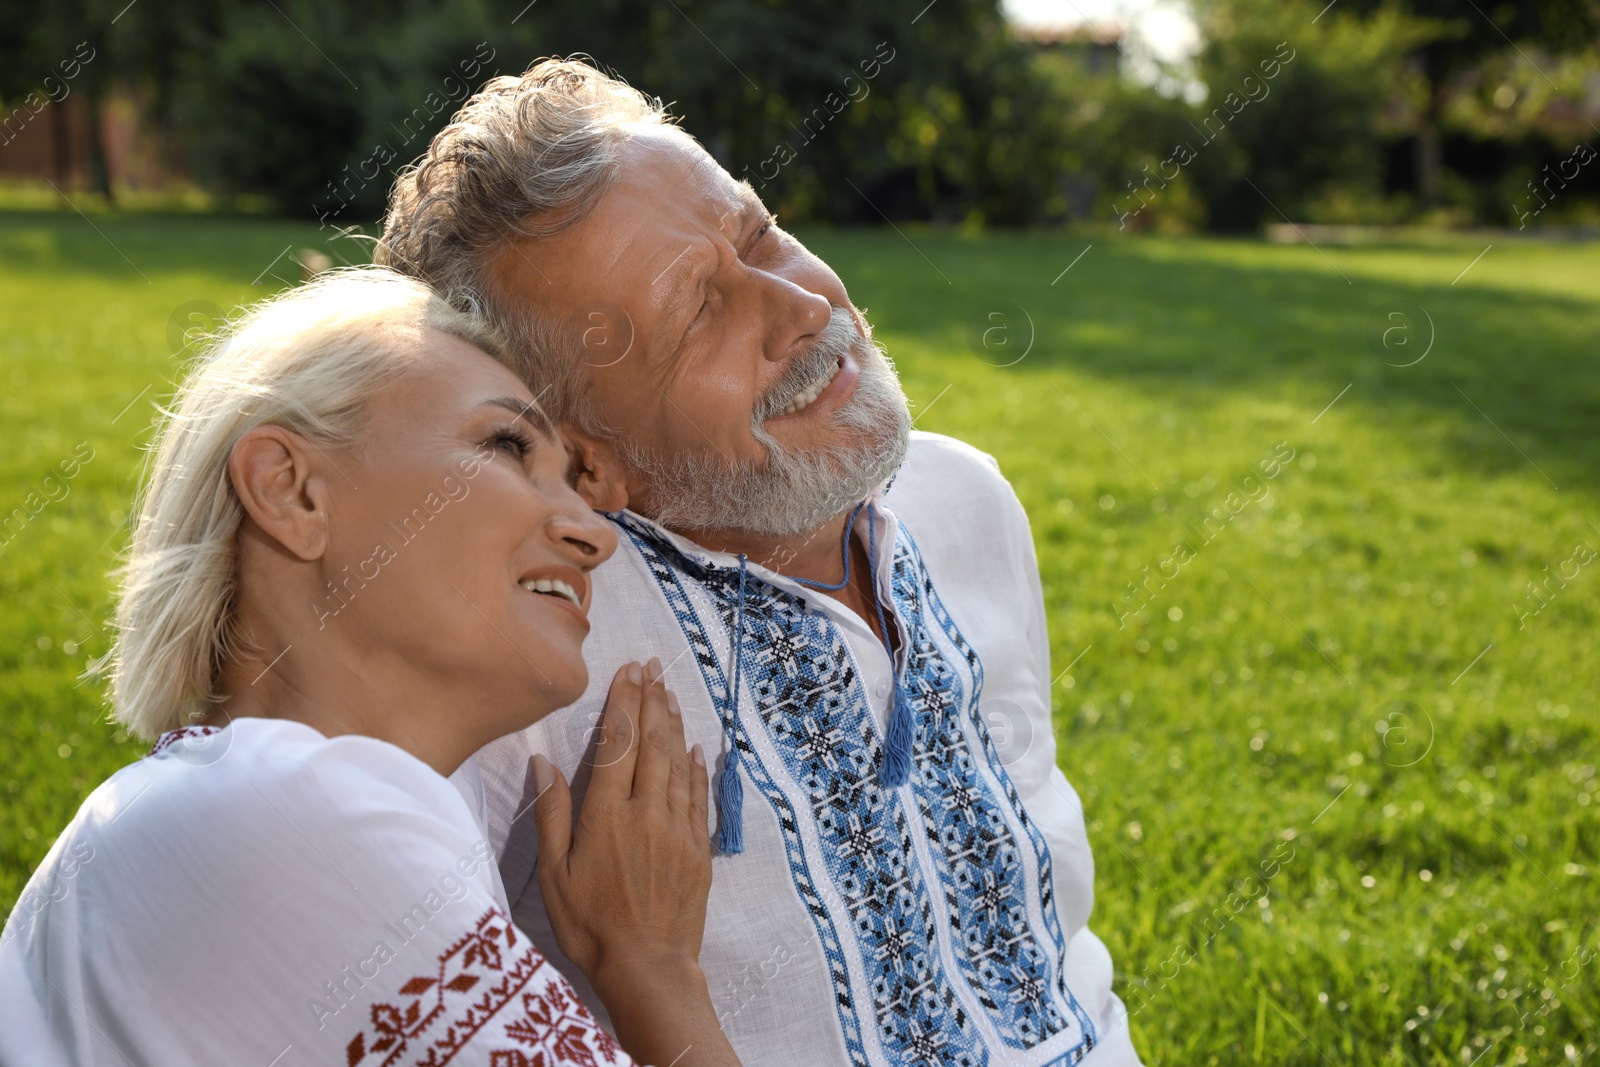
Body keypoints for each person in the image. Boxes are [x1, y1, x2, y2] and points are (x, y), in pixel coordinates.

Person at [378, 59, 1143, 1065]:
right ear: (585, 458)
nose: (798, 305)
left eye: (760, 231)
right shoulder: (527, 641)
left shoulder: (966, 504)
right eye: (698, 311)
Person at [0, 268, 742, 1067]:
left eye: (571, 481)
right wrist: (656, 975)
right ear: (291, 491)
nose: (594, 535)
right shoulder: (295, 814)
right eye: (505, 445)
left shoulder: (215, 802)